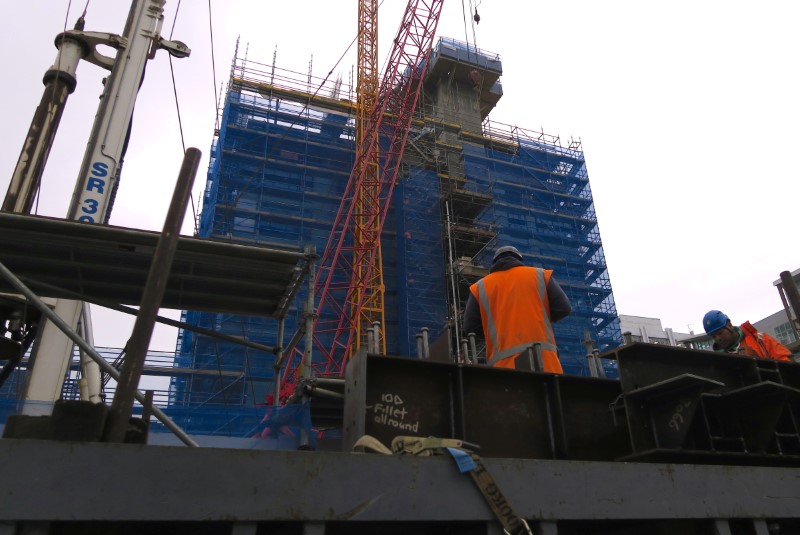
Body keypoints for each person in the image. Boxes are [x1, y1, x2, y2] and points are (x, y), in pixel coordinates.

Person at [464, 246, 572, 373]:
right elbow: (564, 308)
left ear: (494, 263)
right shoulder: (539, 275)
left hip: (504, 370)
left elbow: (470, 328)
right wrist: (538, 319)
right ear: (519, 260)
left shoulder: (480, 287)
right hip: (545, 364)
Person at [702, 310, 792, 361]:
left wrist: (756, 360)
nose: (718, 338)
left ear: (729, 325)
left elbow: (788, 364)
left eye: (720, 333)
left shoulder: (761, 339)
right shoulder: (718, 360)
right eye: (714, 336)